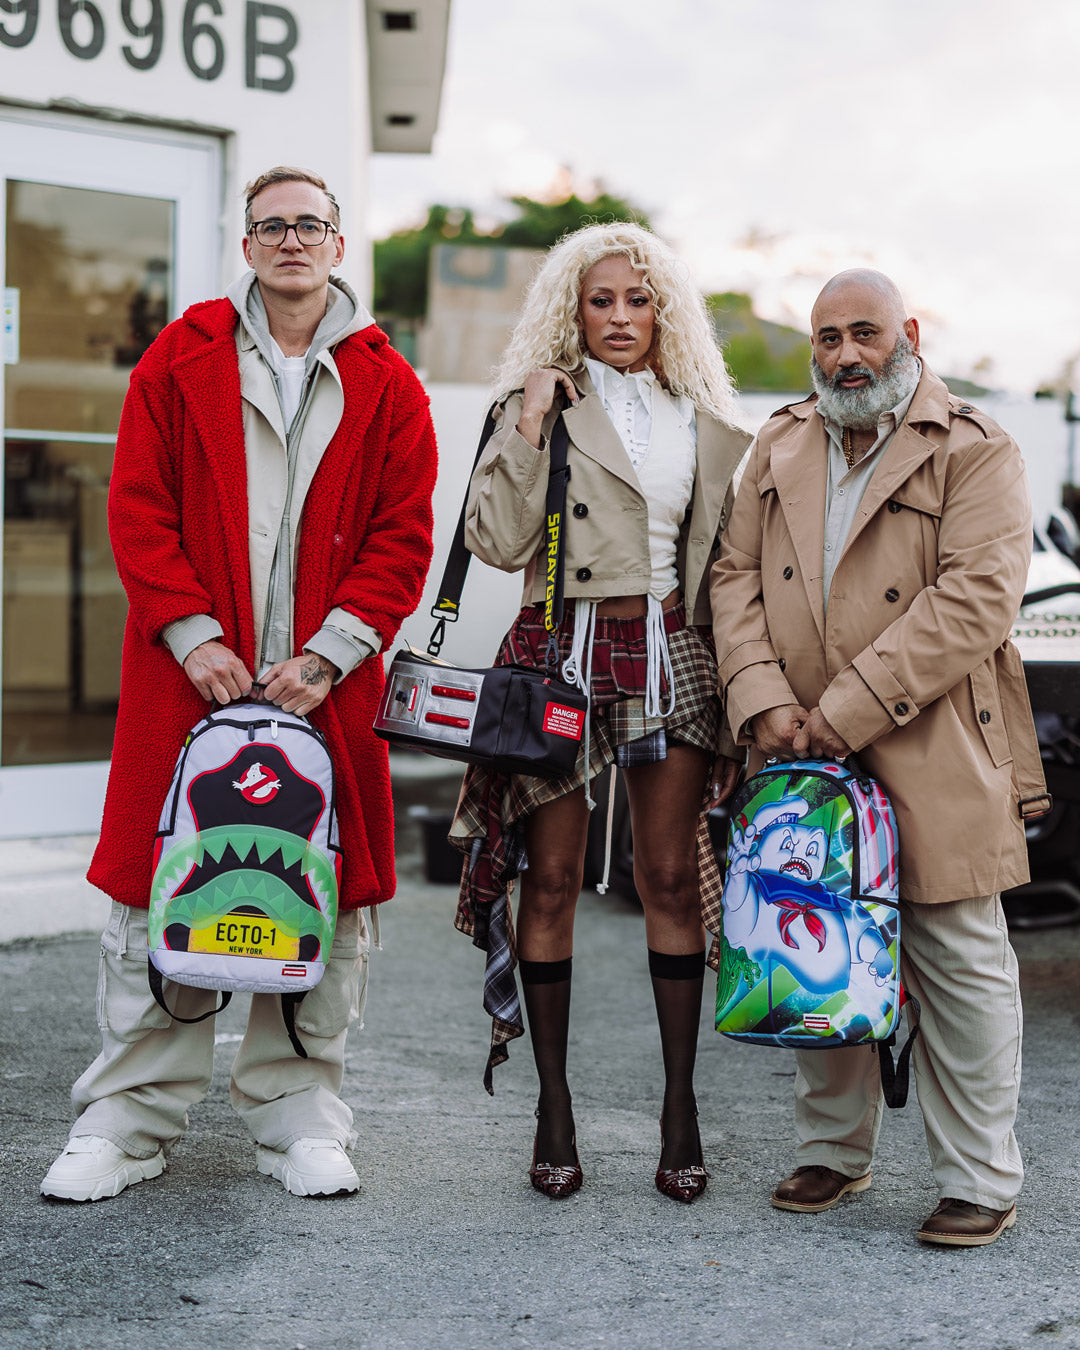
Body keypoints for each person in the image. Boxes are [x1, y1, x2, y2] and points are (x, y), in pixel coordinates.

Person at [41, 166, 437, 1202]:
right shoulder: (181, 358)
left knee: (320, 883)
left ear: (339, 246)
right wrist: (191, 632)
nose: (293, 240)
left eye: (312, 225)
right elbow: (137, 508)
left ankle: (299, 1112)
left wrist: (330, 654)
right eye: (273, 226)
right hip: (192, 680)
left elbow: (403, 537)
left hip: (324, 687)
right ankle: (125, 1119)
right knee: (156, 877)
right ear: (248, 244)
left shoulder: (388, 381)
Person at [710, 268, 1049, 1246]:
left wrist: (844, 709)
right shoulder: (778, 441)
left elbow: (978, 597)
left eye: (863, 333)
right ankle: (834, 1153)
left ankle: (980, 1178)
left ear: (906, 332)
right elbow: (733, 577)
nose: (845, 355)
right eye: (826, 338)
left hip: (932, 738)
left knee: (958, 958)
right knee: (809, 939)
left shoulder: (976, 447)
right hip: (797, 743)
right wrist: (764, 699)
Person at [451, 222, 751, 1202]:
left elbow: (724, 562)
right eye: (600, 301)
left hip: (673, 654)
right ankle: (553, 1104)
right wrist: (532, 419)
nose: (620, 318)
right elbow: (493, 541)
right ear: (570, 311)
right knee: (552, 882)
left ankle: (678, 1107)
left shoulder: (705, 419)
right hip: (564, 656)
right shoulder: (543, 405)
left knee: (670, 876)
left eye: (638, 300)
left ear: (665, 310)